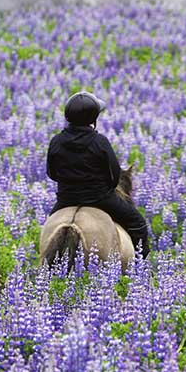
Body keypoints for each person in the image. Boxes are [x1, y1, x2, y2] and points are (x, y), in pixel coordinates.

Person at [46, 91, 150, 257]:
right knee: (137, 223)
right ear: (93, 118)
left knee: (49, 228)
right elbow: (114, 176)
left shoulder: (56, 141)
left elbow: (51, 173)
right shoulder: (99, 142)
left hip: (66, 199)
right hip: (100, 199)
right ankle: (141, 268)